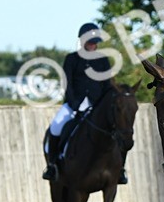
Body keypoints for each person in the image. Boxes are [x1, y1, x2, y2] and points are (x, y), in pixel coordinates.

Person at [42, 22, 126, 183]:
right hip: (74, 104)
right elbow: (67, 83)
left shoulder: (103, 60)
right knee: (56, 127)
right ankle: (52, 166)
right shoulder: (72, 59)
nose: (93, 45)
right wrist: (73, 103)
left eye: (95, 42)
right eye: (90, 42)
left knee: (119, 131)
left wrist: (103, 105)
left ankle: (120, 169)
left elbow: (107, 85)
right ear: (82, 40)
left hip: (97, 105)